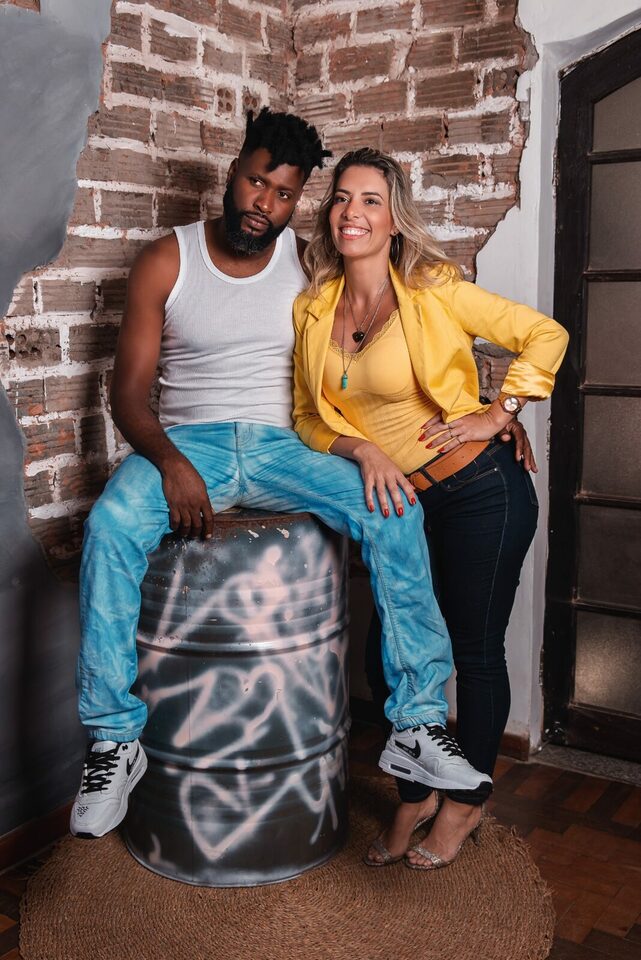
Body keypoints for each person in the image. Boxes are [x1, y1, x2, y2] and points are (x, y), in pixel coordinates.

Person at [69, 111, 492, 841]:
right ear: (233, 173)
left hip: (283, 446)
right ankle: (113, 740)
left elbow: (397, 335)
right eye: (255, 182)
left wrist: (491, 413)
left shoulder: (309, 264)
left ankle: (417, 723)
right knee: (109, 524)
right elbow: (127, 394)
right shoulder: (168, 259)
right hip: (187, 443)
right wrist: (170, 462)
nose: (262, 203)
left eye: (283, 193)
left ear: (297, 200)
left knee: (393, 511)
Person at [292, 147, 569, 869]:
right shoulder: (313, 306)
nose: (352, 212)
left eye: (371, 200)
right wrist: (361, 450)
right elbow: (306, 417)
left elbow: (546, 334)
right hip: (401, 507)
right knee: (392, 657)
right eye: (342, 198)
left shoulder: (433, 287)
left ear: (394, 219)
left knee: (472, 653)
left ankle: (465, 805)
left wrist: (499, 411)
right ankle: (414, 795)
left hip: (480, 491)